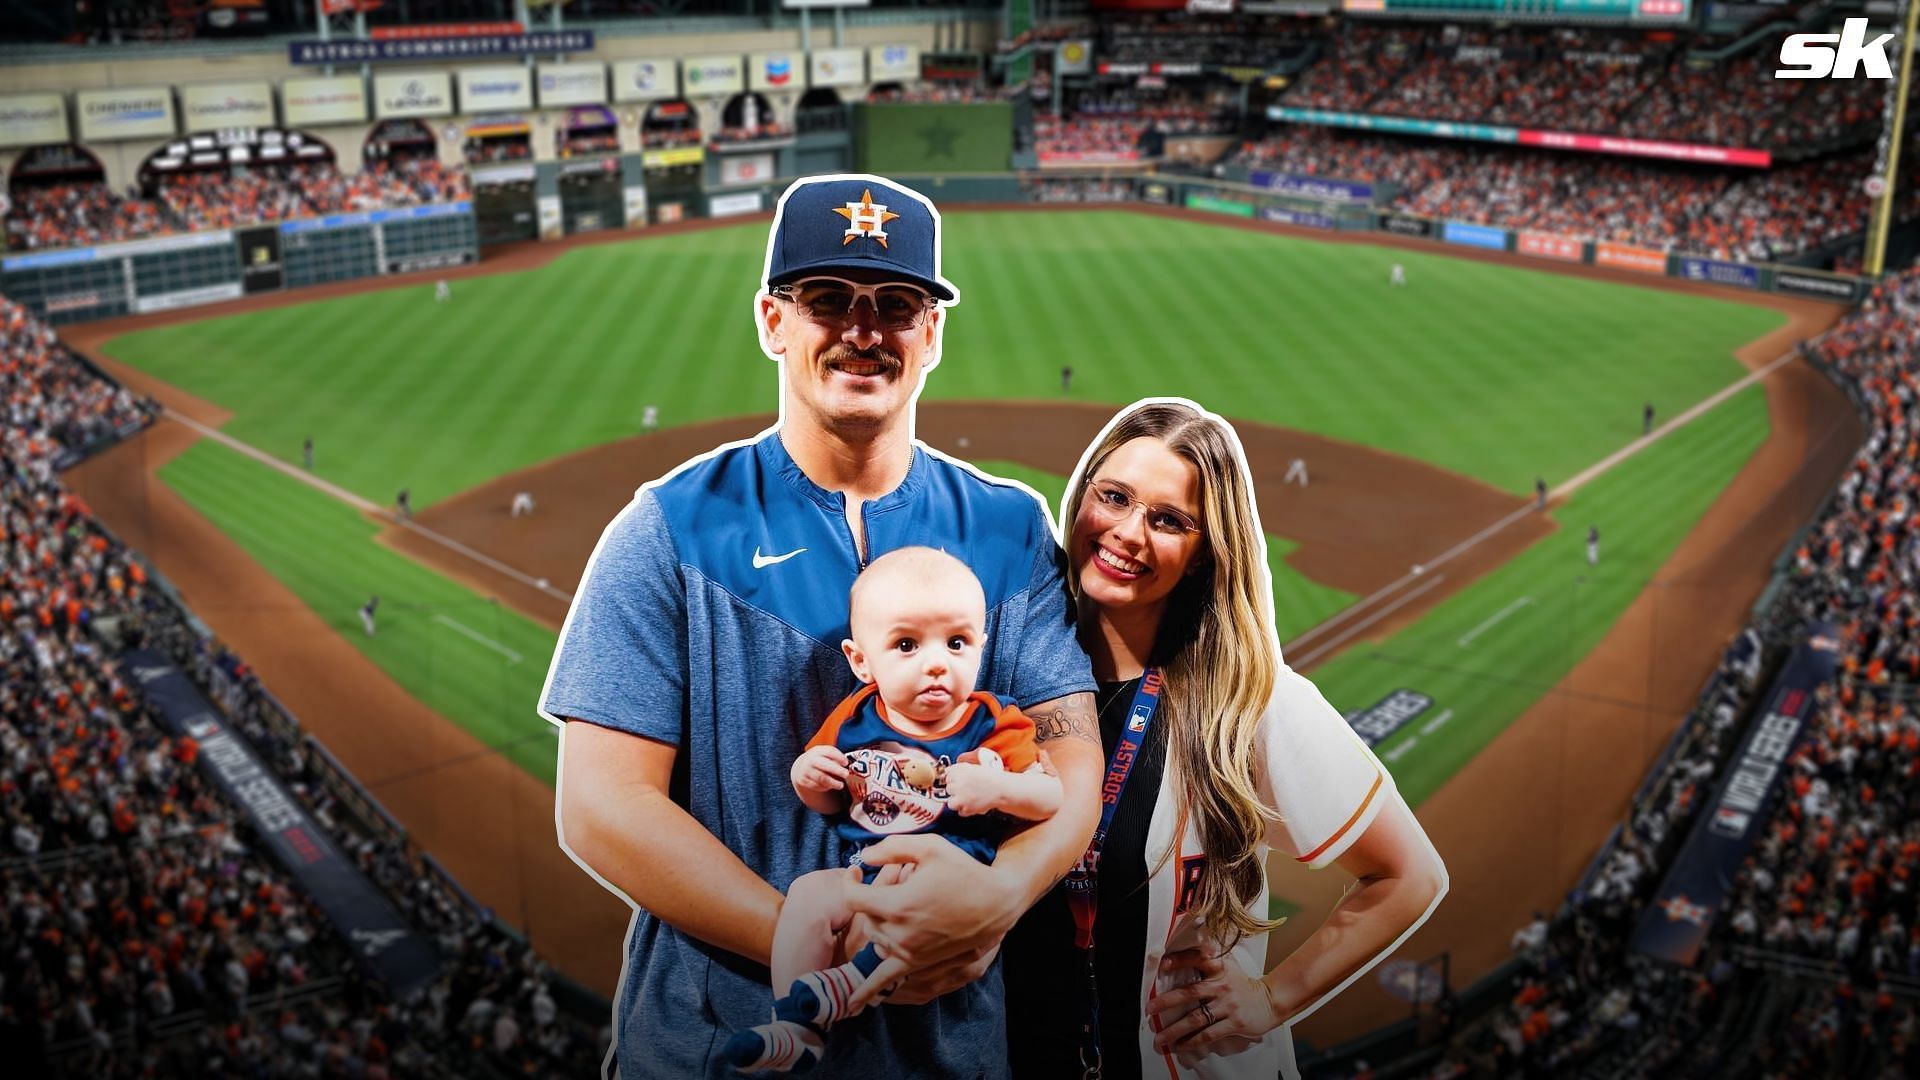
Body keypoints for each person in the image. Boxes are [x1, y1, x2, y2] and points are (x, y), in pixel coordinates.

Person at [539, 174, 1102, 1079]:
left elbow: (1070, 752)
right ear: (773, 321)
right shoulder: (671, 526)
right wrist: (818, 950)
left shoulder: (1009, 527)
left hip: (949, 1055)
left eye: (897, 304)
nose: (863, 330)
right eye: (828, 299)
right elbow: (602, 807)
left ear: (933, 334)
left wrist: (995, 898)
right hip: (707, 1049)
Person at [1003, 399, 1447, 1080]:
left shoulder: (1250, 701)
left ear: (1205, 553)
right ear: (1083, 492)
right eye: (1114, 496)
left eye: (1168, 520)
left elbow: (1408, 875)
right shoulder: (1008, 668)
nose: (1127, 533)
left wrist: (1273, 999)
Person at [724, 548, 1064, 1073]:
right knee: (809, 895)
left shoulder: (994, 722)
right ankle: (796, 1025)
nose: (936, 663)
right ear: (861, 661)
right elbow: (827, 796)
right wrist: (808, 777)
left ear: (981, 645)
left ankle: (843, 985)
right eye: (906, 645)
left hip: (951, 878)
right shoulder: (856, 717)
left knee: (907, 882)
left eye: (956, 643)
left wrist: (996, 788)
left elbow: (1049, 799)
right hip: (867, 868)